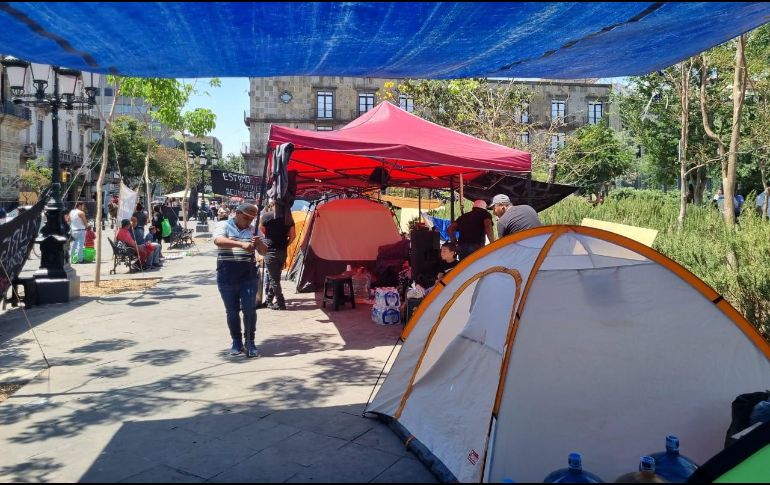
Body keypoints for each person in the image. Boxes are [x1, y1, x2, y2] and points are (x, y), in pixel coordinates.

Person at [213, 203, 267, 358]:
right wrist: (241, 244)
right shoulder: (224, 225)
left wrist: (259, 243)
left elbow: (264, 252)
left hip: (248, 276)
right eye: (246, 218)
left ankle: (250, 341)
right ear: (237, 213)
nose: (249, 221)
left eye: (252, 219)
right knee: (232, 310)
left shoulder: (254, 230)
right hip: (226, 274)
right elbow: (218, 241)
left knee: (249, 310)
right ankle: (236, 341)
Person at [260, 200, 296, 310]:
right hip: (282, 251)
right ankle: (268, 300)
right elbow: (293, 236)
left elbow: (261, 232)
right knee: (275, 277)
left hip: (270, 250)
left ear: (273, 205)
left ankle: (281, 303)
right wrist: (285, 244)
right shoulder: (288, 218)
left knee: (273, 278)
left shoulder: (266, 216)